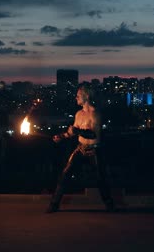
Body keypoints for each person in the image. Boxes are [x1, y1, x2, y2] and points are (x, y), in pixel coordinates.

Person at [46, 85, 115, 213]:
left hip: (94, 150)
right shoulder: (79, 114)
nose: (76, 97)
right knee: (64, 175)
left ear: (86, 96)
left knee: (101, 179)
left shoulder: (96, 114)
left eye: (78, 95)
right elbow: (72, 132)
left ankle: (110, 205)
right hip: (80, 148)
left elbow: (93, 134)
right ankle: (54, 204)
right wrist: (61, 136)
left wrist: (76, 130)